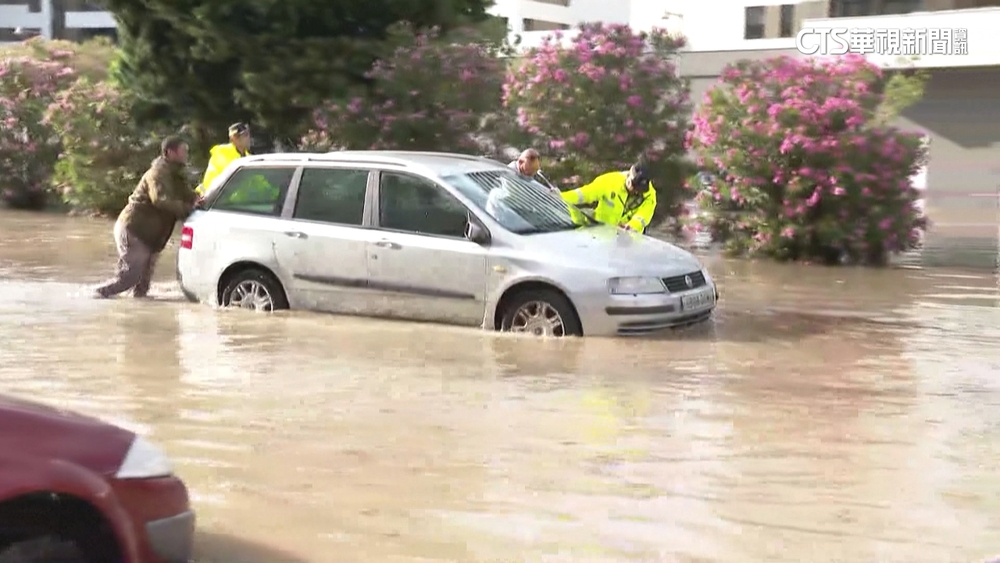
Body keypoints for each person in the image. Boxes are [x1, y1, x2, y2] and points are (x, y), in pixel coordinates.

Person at [94, 136, 196, 299]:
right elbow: (160, 200)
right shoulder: (157, 173)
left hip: (150, 236)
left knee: (142, 288)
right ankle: (96, 295)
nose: (186, 155)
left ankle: (134, 315)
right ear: (170, 152)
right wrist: (188, 209)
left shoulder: (177, 175)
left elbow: (189, 195)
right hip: (134, 229)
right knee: (128, 279)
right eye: (183, 151)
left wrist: (199, 200)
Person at [561, 161, 657, 233]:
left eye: (639, 189)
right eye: (633, 186)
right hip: (601, 235)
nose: (635, 191)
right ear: (628, 176)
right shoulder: (611, 181)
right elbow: (585, 194)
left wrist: (632, 226)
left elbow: (644, 215)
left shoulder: (649, 194)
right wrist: (559, 197)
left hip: (629, 241)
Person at [197, 122, 252, 195]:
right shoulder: (222, 152)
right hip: (213, 199)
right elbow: (233, 174)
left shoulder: (249, 157)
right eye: (245, 135)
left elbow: (258, 180)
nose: (248, 138)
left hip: (238, 202)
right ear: (234, 138)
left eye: (248, 134)